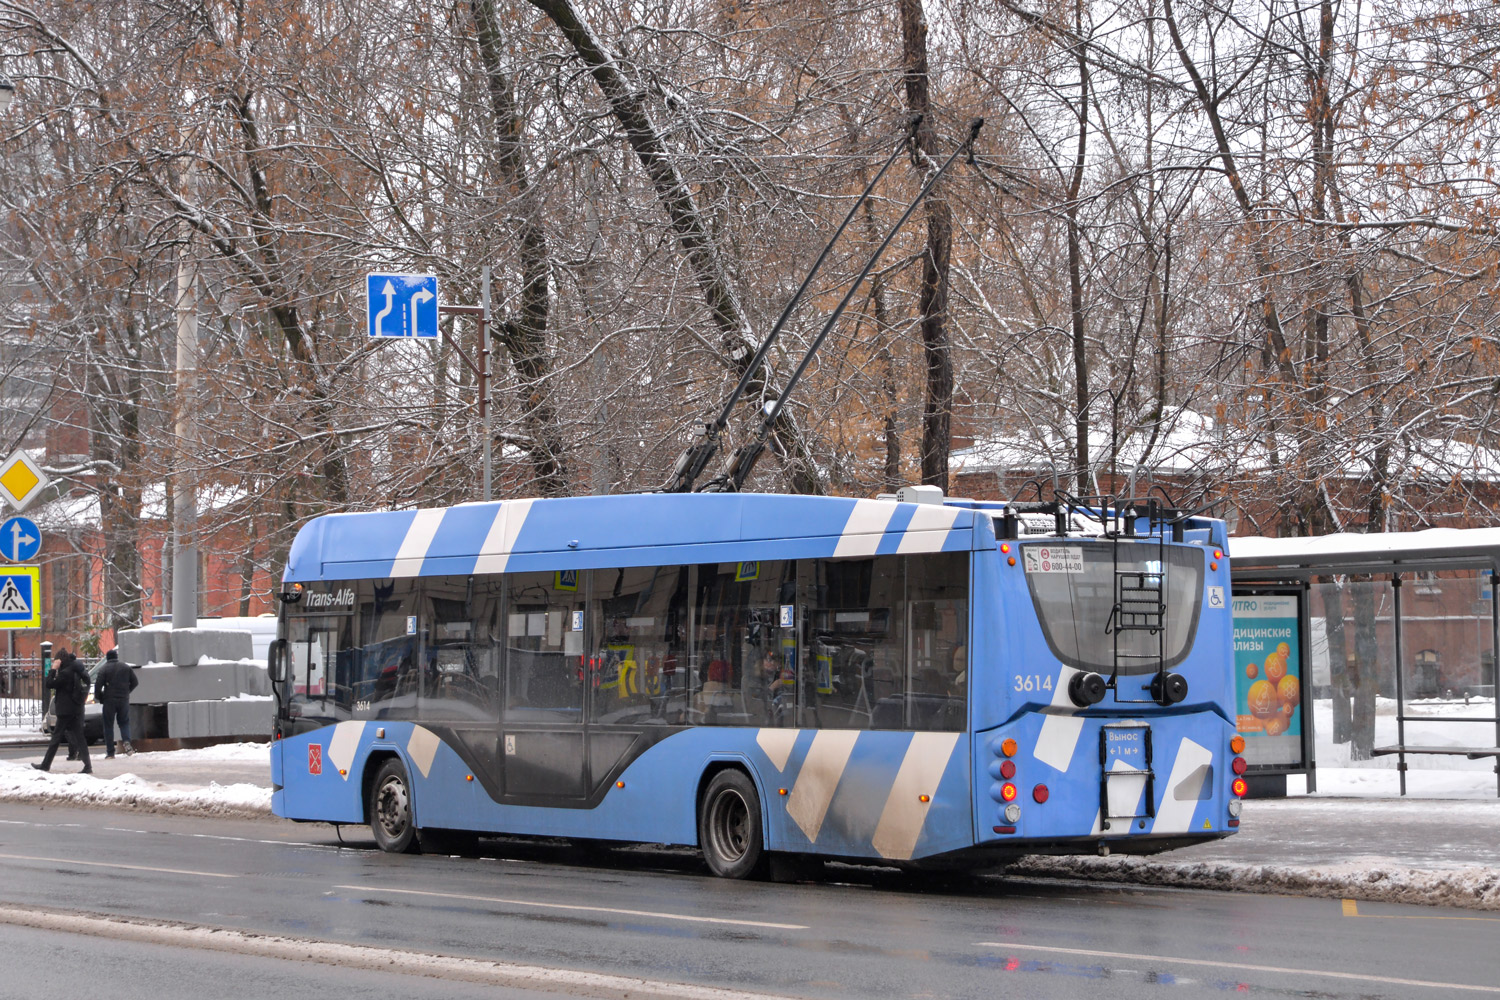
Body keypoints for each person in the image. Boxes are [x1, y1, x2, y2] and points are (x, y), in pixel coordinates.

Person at [33, 650, 92, 774]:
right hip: (75, 709)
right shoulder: (75, 668)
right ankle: (88, 766)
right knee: (80, 738)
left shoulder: (66, 673)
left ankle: (45, 765)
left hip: (66, 711)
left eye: (56, 660)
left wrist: (53, 669)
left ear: (60, 660)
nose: (55, 662)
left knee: (55, 739)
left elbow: (49, 684)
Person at [94, 648, 137, 758]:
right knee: (124, 722)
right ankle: (126, 741)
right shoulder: (126, 667)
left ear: (107, 658)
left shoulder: (104, 669)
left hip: (109, 700)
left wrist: (100, 698)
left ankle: (110, 752)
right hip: (123, 699)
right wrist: (127, 691)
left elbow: (97, 686)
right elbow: (135, 682)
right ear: (116, 657)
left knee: (108, 725)